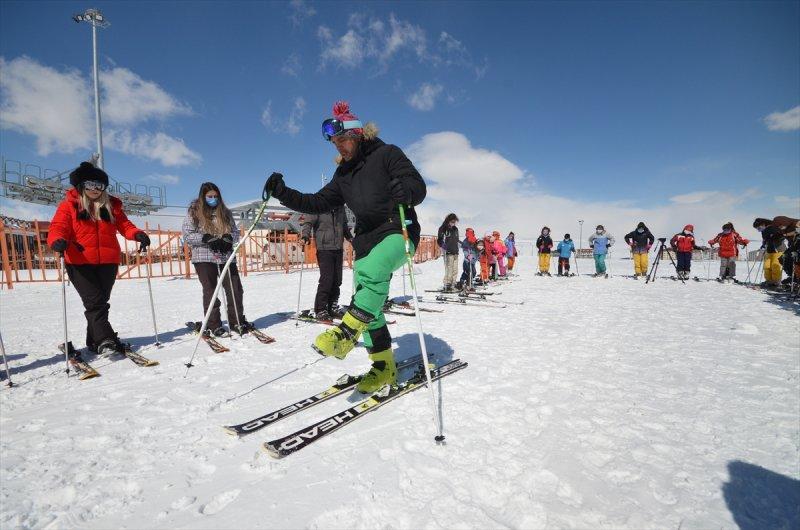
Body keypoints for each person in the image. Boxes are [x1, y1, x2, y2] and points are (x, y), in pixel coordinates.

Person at [263, 100, 426, 393]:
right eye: (334, 142)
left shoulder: (388, 154)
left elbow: (416, 184)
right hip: (366, 239)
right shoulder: (343, 176)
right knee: (369, 304)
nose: (338, 146)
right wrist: (283, 193)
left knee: (374, 272)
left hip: (398, 231)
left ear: (357, 133)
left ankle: (347, 334)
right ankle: (383, 366)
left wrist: (408, 191)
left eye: (342, 139)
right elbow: (316, 202)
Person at [47, 162, 150, 356]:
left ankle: (93, 341)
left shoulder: (111, 206)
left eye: (99, 185)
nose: (94, 189)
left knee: (100, 302)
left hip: (108, 262)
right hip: (79, 261)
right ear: (80, 186)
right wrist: (57, 240)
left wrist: (137, 234)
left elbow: (125, 225)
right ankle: (105, 339)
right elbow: (58, 227)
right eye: (89, 185)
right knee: (94, 303)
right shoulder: (69, 205)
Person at [183, 182, 253, 336]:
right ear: (203, 197)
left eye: (215, 196)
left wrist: (229, 237)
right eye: (210, 196)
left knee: (235, 289)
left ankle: (236, 321)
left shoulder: (225, 212)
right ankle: (213, 324)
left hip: (225, 256)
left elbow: (235, 232)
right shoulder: (194, 212)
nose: (213, 199)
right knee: (211, 290)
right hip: (204, 256)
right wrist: (206, 238)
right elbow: (188, 235)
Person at [300, 207, 353, 320]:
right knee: (327, 280)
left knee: (337, 280)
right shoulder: (319, 206)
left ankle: (332, 307)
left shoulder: (340, 209)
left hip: (338, 248)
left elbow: (343, 226)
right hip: (324, 249)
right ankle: (321, 309)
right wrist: (305, 235)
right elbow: (308, 223)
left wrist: (350, 237)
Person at [753, 217, 785, 288]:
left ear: (763, 224)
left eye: (759, 228)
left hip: (778, 250)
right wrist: (763, 245)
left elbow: (782, 235)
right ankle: (769, 281)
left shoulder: (774, 227)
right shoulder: (763, 231)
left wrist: (774, 237)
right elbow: (765, 240)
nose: (759, 230)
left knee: (775, 265)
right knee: (766, 266)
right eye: (757, 229)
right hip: (769, 250)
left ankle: (776, 282)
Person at [436, 213, 460, 292]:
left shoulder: (455, 229)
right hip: (448, 252)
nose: (453, 223)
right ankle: (447, 284)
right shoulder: (443, 228)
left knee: (455, 270)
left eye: (455, 222)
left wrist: (463, 245)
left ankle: (453, 284)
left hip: (455, 251)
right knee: (449, 269)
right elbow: (439, 239)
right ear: (448, 220)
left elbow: (456, 240)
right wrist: (442, 245)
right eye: (452, 221)